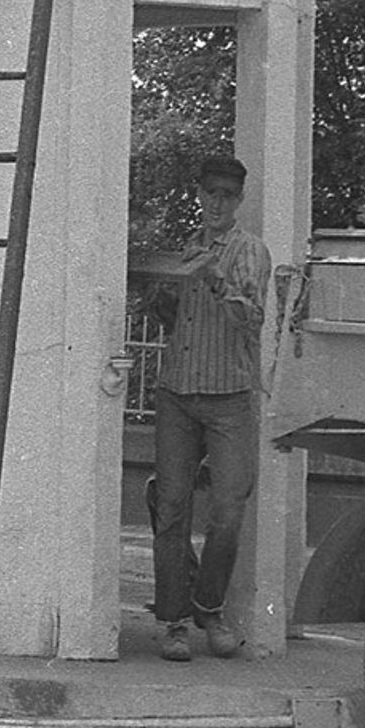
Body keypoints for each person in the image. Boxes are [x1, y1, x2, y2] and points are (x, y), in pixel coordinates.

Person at [150, 156, 274, 662]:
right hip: (177, 394)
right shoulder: (186, 249)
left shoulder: (250, 252)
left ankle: (209, 607)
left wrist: (217, 280)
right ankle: (175, 622)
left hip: (229, 399)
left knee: (228, 511)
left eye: (226, 194)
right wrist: (161, 292)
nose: (217, 203)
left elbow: (254, 322)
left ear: (239, 199)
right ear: (199, 195)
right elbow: (170, 323)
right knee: (173, 508)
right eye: (209, 193)